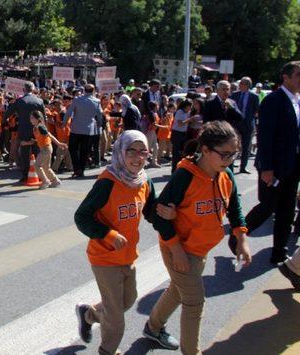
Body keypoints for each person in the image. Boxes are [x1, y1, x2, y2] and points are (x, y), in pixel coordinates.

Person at [145, 121, 252, 354]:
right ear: (205, 150)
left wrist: (241, 239)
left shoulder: (226, 175)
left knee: (177, 290)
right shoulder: (184, 175)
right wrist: (176, 249)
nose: (230, 159)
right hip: (180, 248)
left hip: (200, 249)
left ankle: (153, 327)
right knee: (194, 302)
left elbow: (235, 208)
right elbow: (158, 215)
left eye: (234, 154)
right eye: (225, 154)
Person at [74, 130, 173, 355]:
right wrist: (108, 234)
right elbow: (82, 217)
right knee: (116, 320)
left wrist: (169, 217)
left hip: (127, 255)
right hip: (104, 256)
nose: (137, 157)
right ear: (120, 151)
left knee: (127, 301)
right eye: (131, 151)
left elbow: (150, 211)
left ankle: (88, 314)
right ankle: (107, 351)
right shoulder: (108, 182)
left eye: (143, 152)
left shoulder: (144, 181)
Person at [236, 61, 300, 264]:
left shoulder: (297, 101)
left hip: (293, 166)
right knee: (267, 207)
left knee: (287, 211)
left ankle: (279, 253)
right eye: (299, 75)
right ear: (286, 77)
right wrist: (266, 168)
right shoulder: (274, 100)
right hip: (275, 167)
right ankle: (236, 236)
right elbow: (265, 137)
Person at [3, 81, 46, 182]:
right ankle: (39, 175)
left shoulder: (20, 101)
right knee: (37, 152)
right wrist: (44, 130)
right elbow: (44, 117)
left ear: (24, 90)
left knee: (25, 153)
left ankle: (25, 175)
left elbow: (8, 112)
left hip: (24, 130)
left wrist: (4, 120)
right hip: (37, 130)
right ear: (33, 89)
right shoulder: (39, 101)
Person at [63, 84, 103, 177]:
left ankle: (77, 169)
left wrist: (64, 123)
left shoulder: (77, 99)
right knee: (84, 151)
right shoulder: (97, 101)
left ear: (84, 90)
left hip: (76, 129)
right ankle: (81, 169)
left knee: (73, 148)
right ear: (93, 91)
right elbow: (100, 114)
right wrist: (100, 123)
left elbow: (69, 112)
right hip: (88, 130)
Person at [20, 110, 64, 189]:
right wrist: (26, 143)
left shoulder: (41, 126)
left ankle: (45, 181)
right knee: (46, 167)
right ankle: (56, 181)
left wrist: (59, 143)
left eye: (32, 118)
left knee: (37, 165)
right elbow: (39, 139)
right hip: (45, 148)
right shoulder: (36, 127)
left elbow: (49, 135)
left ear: (38, 119)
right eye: (30, 118)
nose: (30, 120)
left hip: (46, 148)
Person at [230, 77, 260, 174]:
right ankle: (230, 165)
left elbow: (256, 111)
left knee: (246, 147)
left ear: (247, 85)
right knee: (233, 145)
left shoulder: (254, 97)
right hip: (235, 124)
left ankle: (243, 167)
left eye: (242, 84)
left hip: (247, 125)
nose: (240, 85)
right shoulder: (234, 95)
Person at [170, 99, 192, 172]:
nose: (190, 108)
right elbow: (180, 123)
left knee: (182, 152)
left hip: (183, 133)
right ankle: (174, 170)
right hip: (177, 133)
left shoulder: (188, 112)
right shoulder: (180, 112)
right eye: (189, 106)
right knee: (176, 153)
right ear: (185, 106)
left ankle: (181, 168)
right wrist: (189, 120)